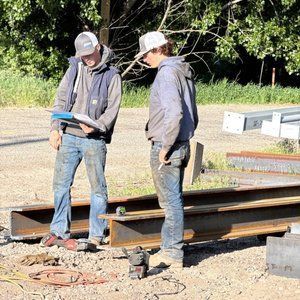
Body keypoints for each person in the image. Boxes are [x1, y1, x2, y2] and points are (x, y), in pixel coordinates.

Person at [42, 31, 122, 248]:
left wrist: (97, 127)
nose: (86, 58)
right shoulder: (74, 68)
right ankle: (59, 231)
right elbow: (60, 99)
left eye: (89, 53)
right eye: (82, 54)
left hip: (94, 140)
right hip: (68, 135)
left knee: (97, 188)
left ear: (98, 47)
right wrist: (54, 128)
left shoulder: (112, 75)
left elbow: (113, 109)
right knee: (60, 185)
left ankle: (96, 234)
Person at [135, 31, 198, 268]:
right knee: (174, 200)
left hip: (168, 146)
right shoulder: (181, 70)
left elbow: (175, 113)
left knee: (170, 202)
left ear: (158, 49)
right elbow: (191, 112)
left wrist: (166, 146)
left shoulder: (167, 74)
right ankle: (171, 248)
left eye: (146, 55)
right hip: (181, 144)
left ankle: (171, 252)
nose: (144, 60)